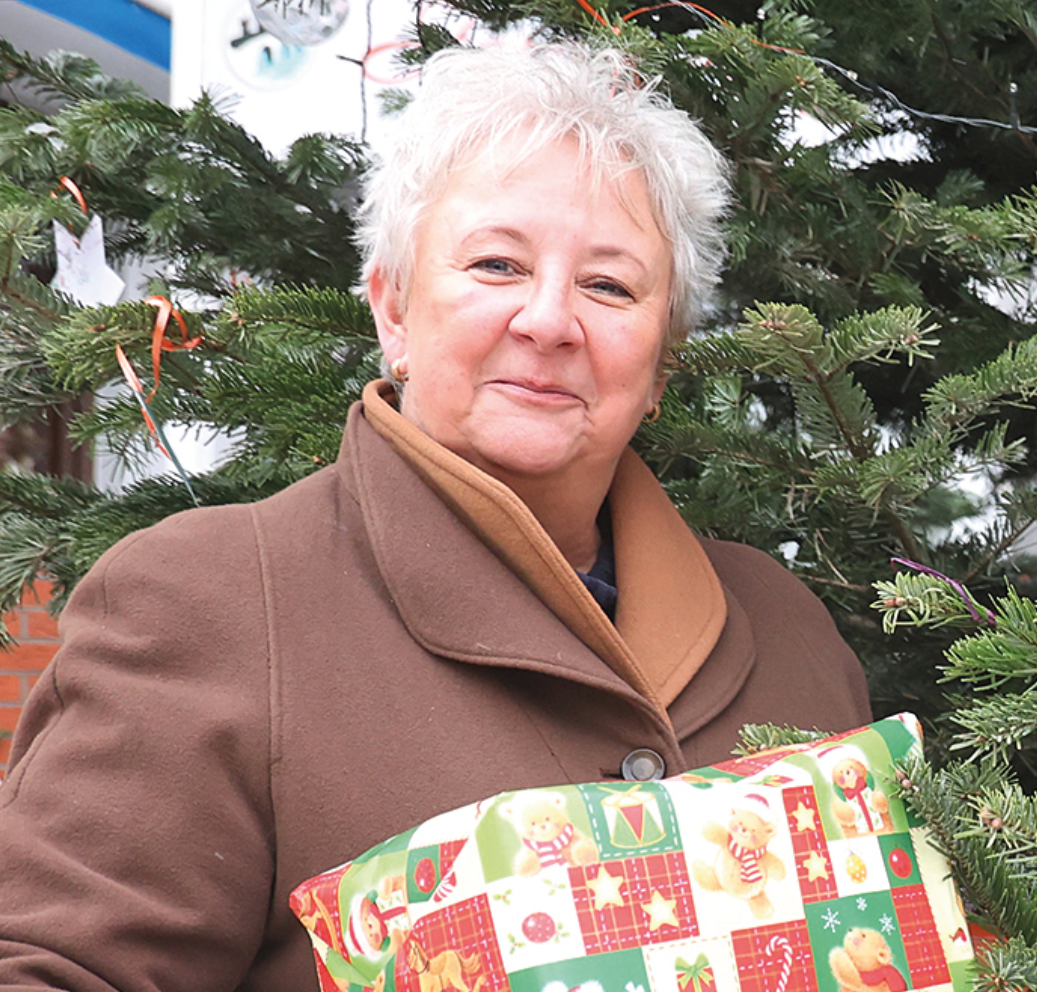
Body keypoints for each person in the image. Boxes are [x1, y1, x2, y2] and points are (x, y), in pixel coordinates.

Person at [0, 44, 871, 992]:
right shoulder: (210, 600)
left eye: (610, 285)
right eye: (496, 264)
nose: (548, 320)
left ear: (662, 363)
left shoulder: (786, 627)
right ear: (394, 310)